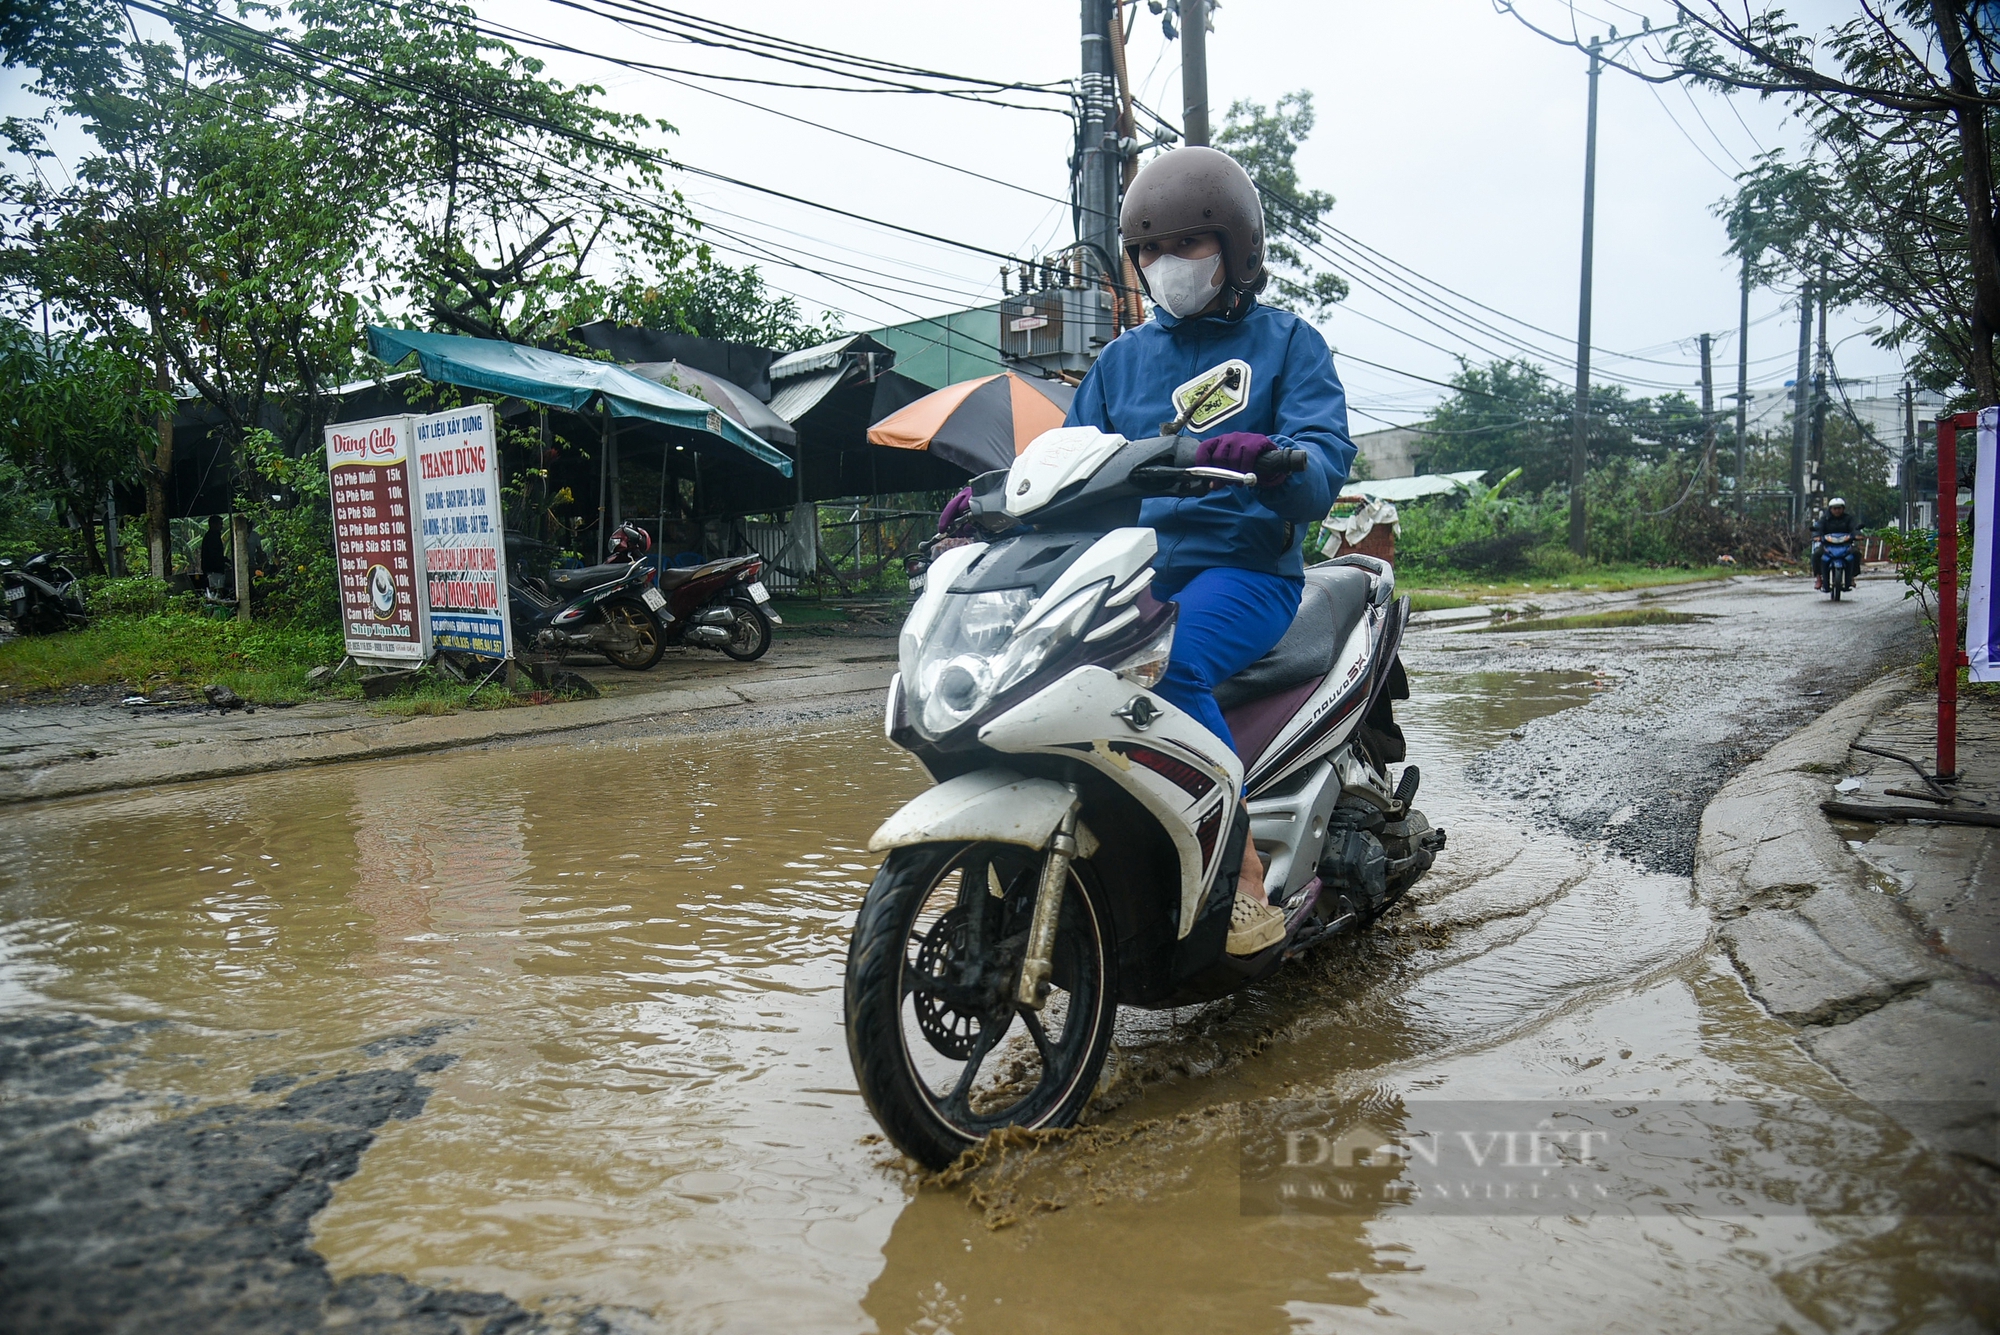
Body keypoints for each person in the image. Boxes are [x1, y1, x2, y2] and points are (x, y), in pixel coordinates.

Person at [944, 146, 1353, 956]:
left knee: (1168, 667)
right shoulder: (1119, 363)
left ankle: (1237, 882)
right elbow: (1067, 472)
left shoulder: (1287, 343)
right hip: (1133, 572)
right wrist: (994, 505)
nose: (1169, 264)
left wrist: (1275, 459)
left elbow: (1322, 464)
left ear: (1235, 251)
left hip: (1243, 569)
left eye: (1189, 245)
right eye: (1153, 250)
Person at [1812, 497, 1856, 589]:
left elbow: (1854, 528)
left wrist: (1857, 535)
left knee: (1856, 554)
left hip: (1845, 545)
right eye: (1834, 508)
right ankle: (1819, 578)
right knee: (1816, 554)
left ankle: (1851, 577)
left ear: (1843, 509)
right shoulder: (1825, 519)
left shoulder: (1848, 519)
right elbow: (1818, 528)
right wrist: (1816, 535)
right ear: (1830, 509)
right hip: (1828, 545)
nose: (1837, 511)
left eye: (1839, 508)